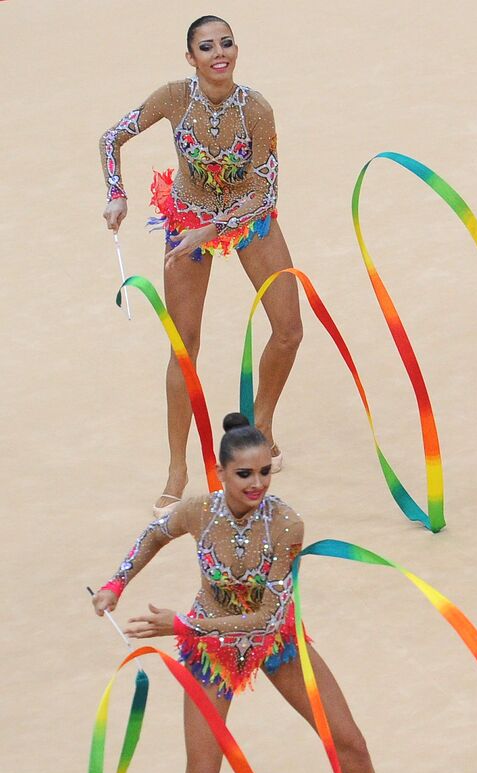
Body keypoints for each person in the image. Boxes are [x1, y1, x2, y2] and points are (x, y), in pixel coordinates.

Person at [92, 413, 425, 773]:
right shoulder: (199, 510)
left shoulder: (286, 524)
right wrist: (116, 582)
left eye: (265, 472)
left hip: (273, 642)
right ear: (219, 471)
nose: (257, 484)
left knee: (352, 745)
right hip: (210, 652)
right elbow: (155, 533)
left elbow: (265, 615)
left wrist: (184, 629)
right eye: (244, 473)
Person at [99, 15, 303, 515]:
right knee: (184, 347)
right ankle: (177, 468)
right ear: (190, 58)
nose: (219, 53)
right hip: (186, 215)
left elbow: (264, 192)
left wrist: (213, 229)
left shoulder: (256, 109)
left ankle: (262, 423)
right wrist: (117, 196)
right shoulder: (174, 97)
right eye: (206, 47)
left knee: (289, 329)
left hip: (243, 217)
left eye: (227, 44)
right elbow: (111, 138)